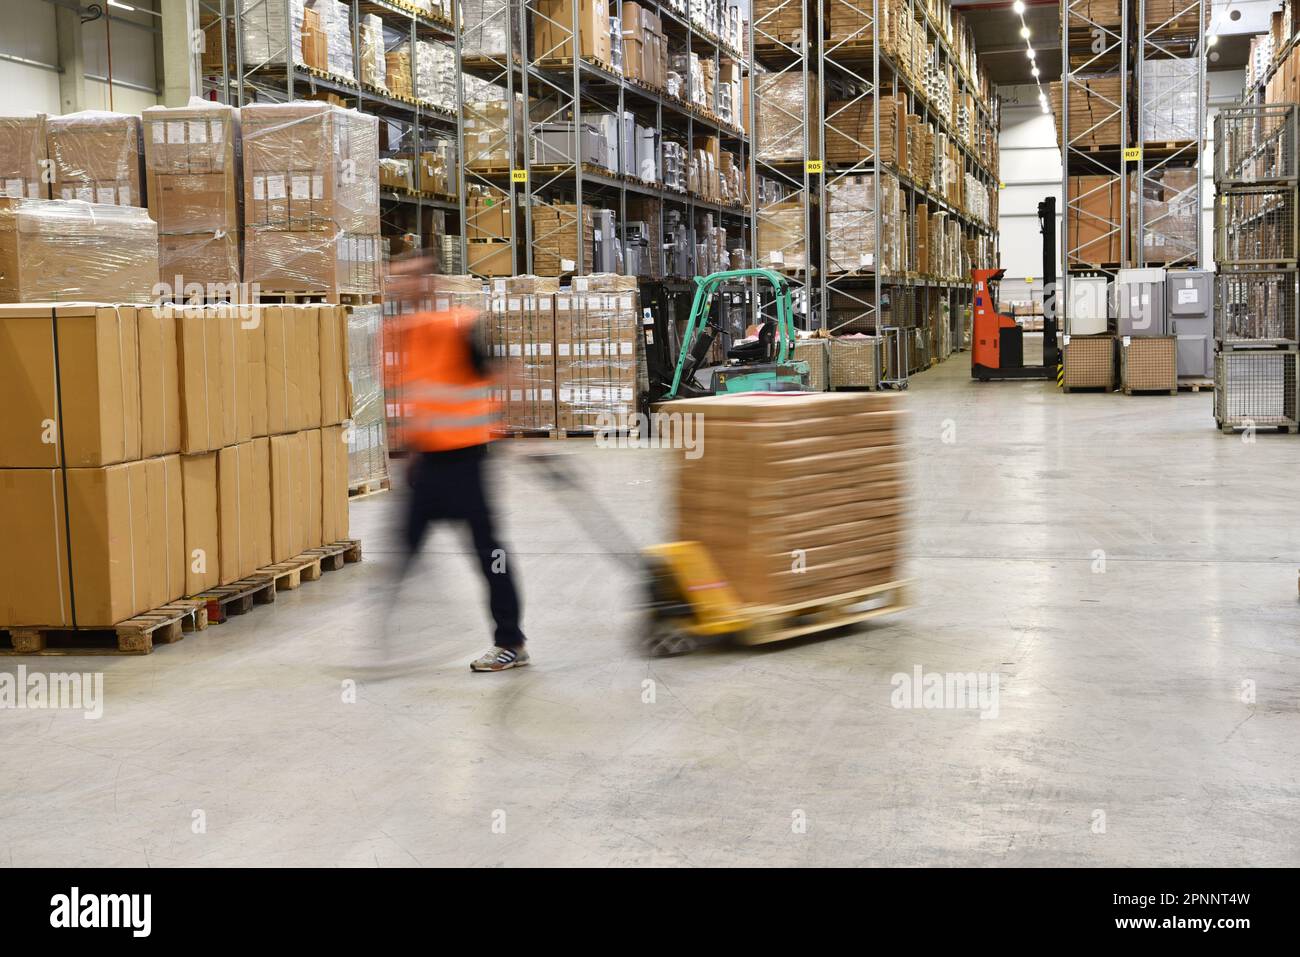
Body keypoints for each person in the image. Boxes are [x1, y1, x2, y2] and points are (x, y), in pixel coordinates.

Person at [389, 256, 529, 672]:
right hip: (428, 460)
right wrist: (412, 449)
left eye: (409, 278)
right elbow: (421, 395)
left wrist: (516, 432)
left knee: (489, 552)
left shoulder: (460, 326)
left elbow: (504, 372)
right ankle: (396, 642)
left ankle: (511, 642)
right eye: (395, 280)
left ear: (428, 282)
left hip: (467, 461)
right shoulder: (406, 333)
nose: (400, 286)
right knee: (406, 545)